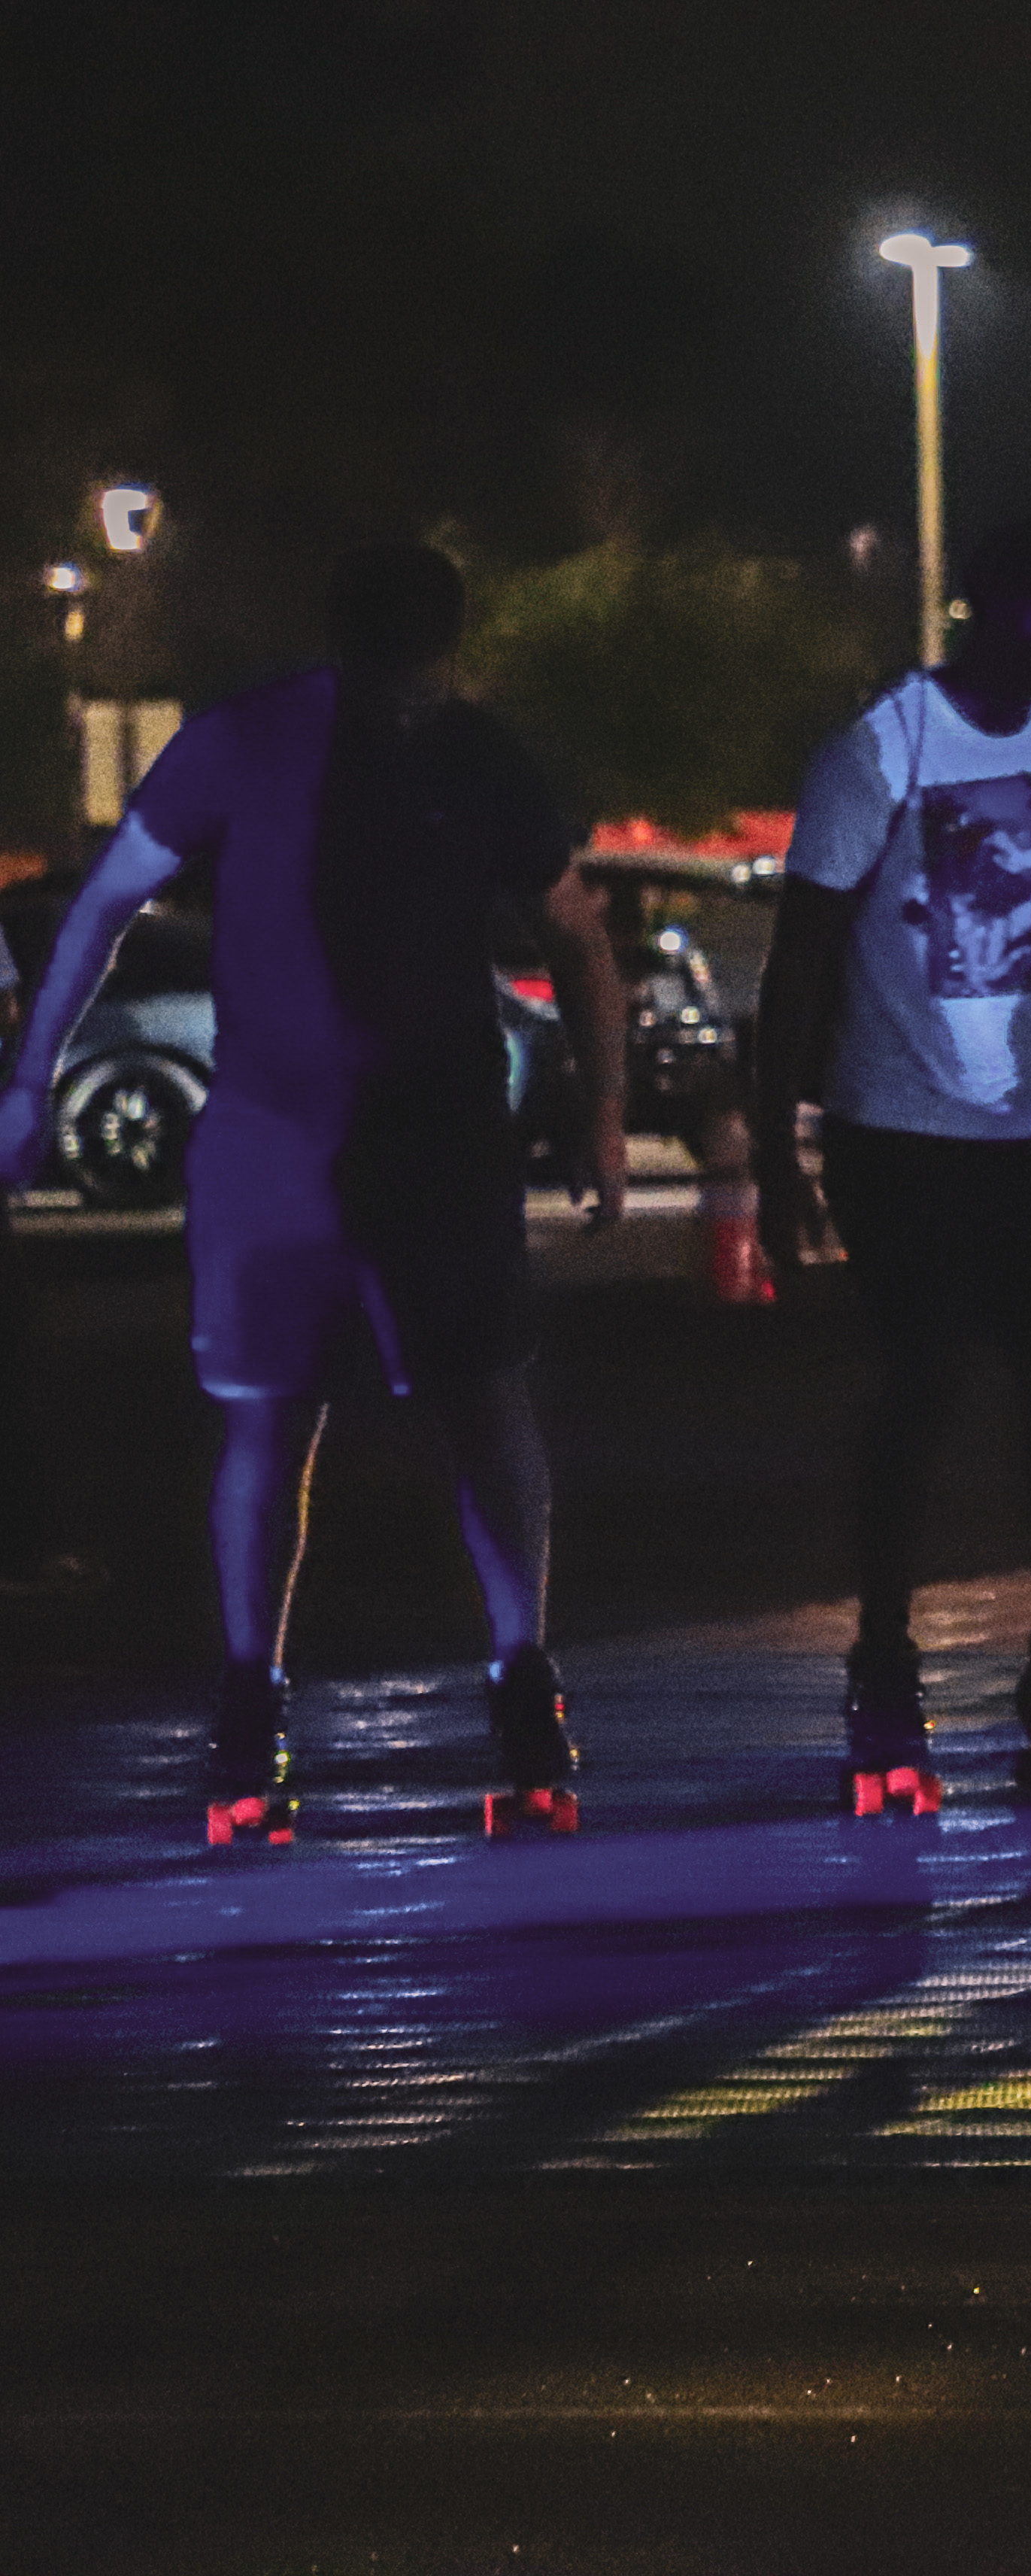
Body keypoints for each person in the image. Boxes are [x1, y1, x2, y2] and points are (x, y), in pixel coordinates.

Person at [2, 542, 630, 1843]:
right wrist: (602, 1113)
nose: (407, 693)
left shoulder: (347, 746)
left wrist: (31, 1077)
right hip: (314, 1136)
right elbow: (576, 930)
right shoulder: (342, 745)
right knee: (365, 1415)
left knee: (388, 1412)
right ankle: (340, 1696)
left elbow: (101, 905)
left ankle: (453, 1689)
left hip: (370, 1133)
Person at [759, 521, 1031, 1806]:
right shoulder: (888, 744)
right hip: (904, 1127)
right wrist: (780, 1156)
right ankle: (883, 1663)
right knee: (919, 1390)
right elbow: (801, 953)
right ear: (995, 618)